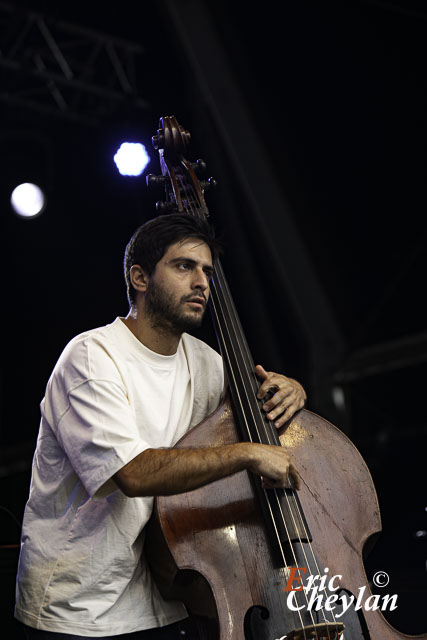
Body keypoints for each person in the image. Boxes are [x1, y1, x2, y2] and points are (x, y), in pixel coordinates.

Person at [15, 214, 306, 639]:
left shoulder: (205, 361)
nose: (202, 282)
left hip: (170, 591)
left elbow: (263, 427)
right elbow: (132, 473)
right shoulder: (92, 357)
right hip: (83, 606)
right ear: (140, 277)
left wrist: (294, 390)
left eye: (207, 271)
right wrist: (248, 454)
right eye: (184, 266)